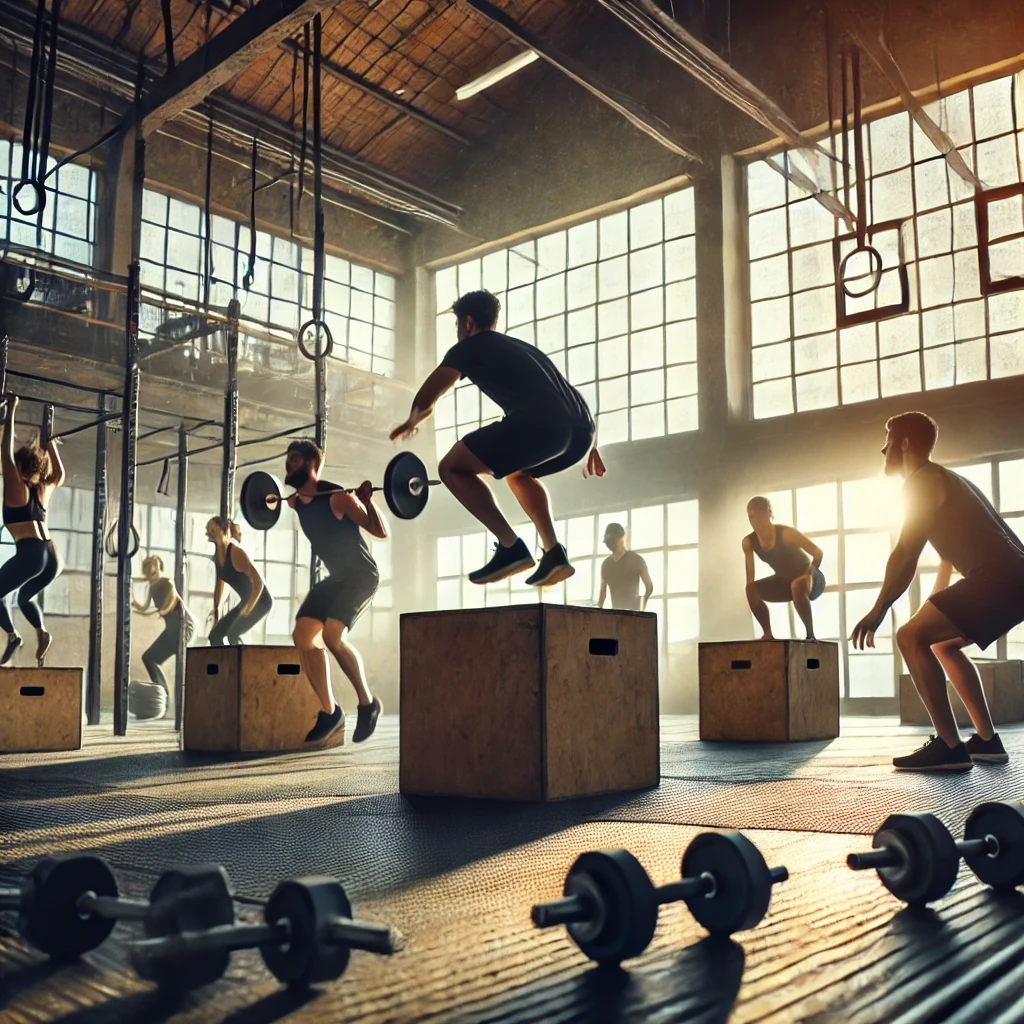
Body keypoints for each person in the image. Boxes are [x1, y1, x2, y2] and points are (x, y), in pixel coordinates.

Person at [391, 289, 604, 588]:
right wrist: (593, 442)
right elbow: (565, 391)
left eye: (456, 326)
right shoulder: (522, 347)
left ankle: (510, 547)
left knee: (451, 467)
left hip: (542, 426)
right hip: (581, 431)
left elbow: (430, 392)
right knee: (518, 473)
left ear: (467, 323)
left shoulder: (470, 346)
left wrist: (413, 420)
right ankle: (553, 552)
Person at [851, 412, 1024, 772]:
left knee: (908, 636)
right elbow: (946, 559)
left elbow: (905, 553)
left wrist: (880, 608)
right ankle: (988, 741)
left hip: (999, 578)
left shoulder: (920, 481)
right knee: (939, 643)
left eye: (888, 440)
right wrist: (928, 615)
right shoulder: (947, 479)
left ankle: (949, 747)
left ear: (904, 443)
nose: (882, 449)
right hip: (1012, 579)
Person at [284, 440, 384, 745]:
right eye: (288, 460)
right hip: (337, 577)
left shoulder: (338, 499)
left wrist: (367, 501)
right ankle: (330, 712)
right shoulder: (294, 502)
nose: (289, 465)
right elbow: (266, 503)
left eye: (296, 460)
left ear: (313, 466)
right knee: (302, 636)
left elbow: (380, 532)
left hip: (361, 576)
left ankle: (368, 704)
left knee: (331, 636)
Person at [0, 395, 64, 667]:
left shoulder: (18, 488)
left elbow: (5, 452)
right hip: (52, 557)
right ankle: (42, 633)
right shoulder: (42, 489)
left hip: (32, 555)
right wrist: (51, 446)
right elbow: (58, 475)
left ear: (20, 467)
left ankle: (13, 636)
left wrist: (11, 410)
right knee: (25, 597)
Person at [743, 496, 825, 641]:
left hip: (812, 577)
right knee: (750, 589)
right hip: (785, 582)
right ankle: (768, 634)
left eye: (760, 516)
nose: (755, 522)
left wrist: (808, 575)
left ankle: (810, 636)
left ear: (768, 514)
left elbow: (818, 553)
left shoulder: (786, 534)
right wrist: (753, 594)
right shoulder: (749, 542)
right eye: (751, 517)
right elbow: (750, 581)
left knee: (797, 585)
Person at [132, 554, 194, 694]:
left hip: (183, 628)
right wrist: (134, 604)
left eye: (153, 572)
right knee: (149, 658)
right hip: (171, 632)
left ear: (159, 569)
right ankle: (162, 694)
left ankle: (182, 698)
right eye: (147, 573)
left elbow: (170, 603)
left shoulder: (168, 584)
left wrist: (162, 611)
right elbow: (145, 607)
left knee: (180, 662)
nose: (150, 577)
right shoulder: (152, 588)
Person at [207, 516, 273, 645]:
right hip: (246, 601)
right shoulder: (218, 557)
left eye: (214, 529)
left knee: (233, 634)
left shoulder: (236, 553)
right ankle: (225, 663)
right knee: (215, 636)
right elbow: (221, 584)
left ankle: (243, 664)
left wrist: (249, 607)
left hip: (261, 601)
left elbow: (258, 583)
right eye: (209, 530)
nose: (211, 532)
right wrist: (217, 607)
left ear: (225, 530)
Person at [599, 523, 653, 611]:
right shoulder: (605, 565)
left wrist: (642, 607)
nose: (610, 544)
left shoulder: (636, 560)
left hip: (634, 615)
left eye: (613, 540)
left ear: (621, 538)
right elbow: (602, 594)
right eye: (608, 542)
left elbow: (649, 587)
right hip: (615, 615)